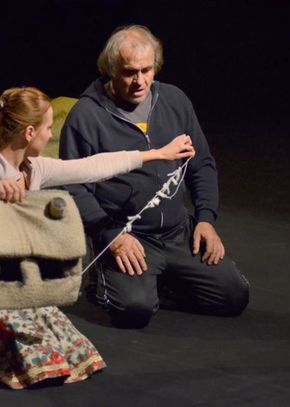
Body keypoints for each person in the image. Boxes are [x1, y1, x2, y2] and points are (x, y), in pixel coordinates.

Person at [0, 86, 195, 389]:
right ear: (29, 133)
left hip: (10, 283)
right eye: (49, 128)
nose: (51, 134)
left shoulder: (34, 167)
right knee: (29, 357)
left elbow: (91, 167)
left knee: (72, 353)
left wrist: (157, 154)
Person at [59, 25, 250, 329]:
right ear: (111, 70)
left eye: (146, 70)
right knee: (134, 310)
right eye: (129, 72)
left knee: (234, 296)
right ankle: (107, 278)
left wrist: (205, 219)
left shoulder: (174, 100)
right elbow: (74, 186)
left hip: (176, 233)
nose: (140, 81)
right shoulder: (87, 115)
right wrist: (111, 236)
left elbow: (201, 163)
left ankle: (161, 281)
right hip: (128, 235)